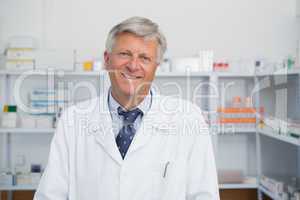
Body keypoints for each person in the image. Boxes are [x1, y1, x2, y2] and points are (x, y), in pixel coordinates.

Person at [34, 16, 219, 200]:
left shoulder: (188, 118)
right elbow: (50, 195)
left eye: (145, 58)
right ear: (107, 59)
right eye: (124, 54)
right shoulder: (72, 119)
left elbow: (204, 195)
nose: (133, 65)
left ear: (156, 66)